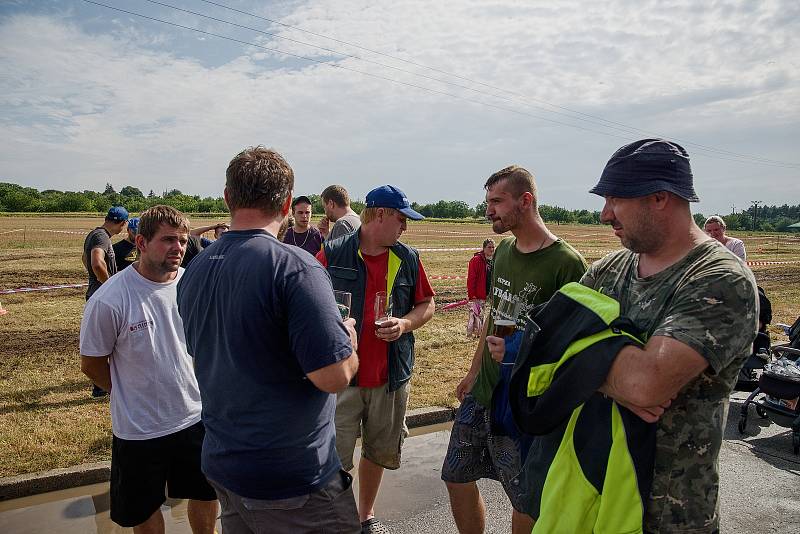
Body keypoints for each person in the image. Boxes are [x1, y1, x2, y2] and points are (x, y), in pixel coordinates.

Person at [177, 146, 361, 534]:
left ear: (228, 197)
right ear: (288, 202)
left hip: (223, 461)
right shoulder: (295, 267)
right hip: (291, 478)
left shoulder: (194, 270)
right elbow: (334, 376)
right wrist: (349, 342)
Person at [580, 139, 757, 532]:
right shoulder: (607, 269)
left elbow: (645, 385)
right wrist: (612, 377)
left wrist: (580, 363)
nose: (604, 214)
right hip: (591, 492)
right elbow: (543, 345)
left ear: (660, 198)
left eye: (615, 199)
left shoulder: (720, 279)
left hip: (669, 514)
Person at [442, 165, 587, 534]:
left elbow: (572, 345)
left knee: (525, 498)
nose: (489, 210)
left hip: (525, 401)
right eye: (487, 201)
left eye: (497, 201)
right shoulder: (504, 250)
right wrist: (474, 371)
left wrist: (519, 353)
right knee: (455, 475)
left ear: (526, 200)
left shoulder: (566, 264)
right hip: (485, 390)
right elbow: (496, 315)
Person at [79, 205, 218, 533]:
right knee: (143, 508)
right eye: (168, 240)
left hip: (194, 416)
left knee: (206, 491)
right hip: (140, 429)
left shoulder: (191, 284)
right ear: (140, 243)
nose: (179, 248)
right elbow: (92, 364)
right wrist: (126, 390)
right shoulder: (111, 298)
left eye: (183, 241)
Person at [316, 184, 436, 533]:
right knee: (332, 459)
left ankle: (364, 516)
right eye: (401, 219)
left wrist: (405, 323)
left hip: (389, 378)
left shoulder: (408, 257)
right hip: (343, 378)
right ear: (379, 215)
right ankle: (336, 521)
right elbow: (307, 303)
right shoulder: (333, 253)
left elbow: (427, 304)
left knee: (378, 451)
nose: (405, 227)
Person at [82, 205, 128, 397]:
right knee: (107, 343)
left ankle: (101, 387)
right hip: (101, 295)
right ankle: (102, 387)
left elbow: (83, 258)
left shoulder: (95, 234)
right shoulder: (102, 237)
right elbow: (96, 262)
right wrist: (110, 285)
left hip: (96, 292)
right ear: (123, 223)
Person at [466, 238, 494, 337]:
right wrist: (472, 294)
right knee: (476, 314)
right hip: (477, 293)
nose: (491, 249)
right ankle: (475, 333)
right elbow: (471, 279)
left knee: (481, 314)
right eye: (489, 247)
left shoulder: (492, 261)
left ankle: (479, 333)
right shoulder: (476, 260)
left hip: (487, 293)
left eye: (493, 247)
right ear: (484, 248)